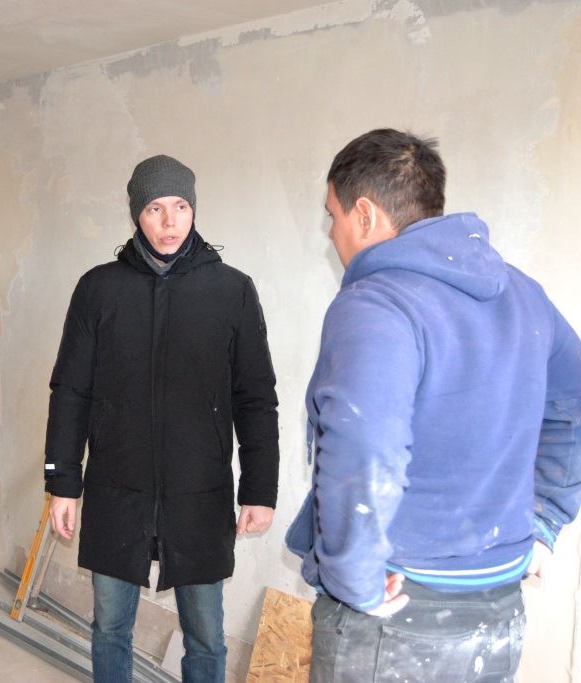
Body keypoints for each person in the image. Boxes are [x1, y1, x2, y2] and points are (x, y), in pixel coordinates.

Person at [286, 129, 581, 682]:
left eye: (333, 215)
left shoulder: (376, 303)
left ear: (365, 215)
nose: (331, 232)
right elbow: (575, 404)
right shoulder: (524, 294)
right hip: (499, 611)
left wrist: (354, 577)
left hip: (397, 614)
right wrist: (543, 519)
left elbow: (364, 442)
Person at [44, 155, 280, 682]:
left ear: (193, 209)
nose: (170, 222)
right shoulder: (98, 289)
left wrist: (259, 490)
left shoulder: (232, 291)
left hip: (199, 493)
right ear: (136, 214)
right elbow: (71, 391)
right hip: (116, 489)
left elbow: (256, 399)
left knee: (206, 636)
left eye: (180, 207)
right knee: (109, 628)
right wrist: (62, 482)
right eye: (155, 208)